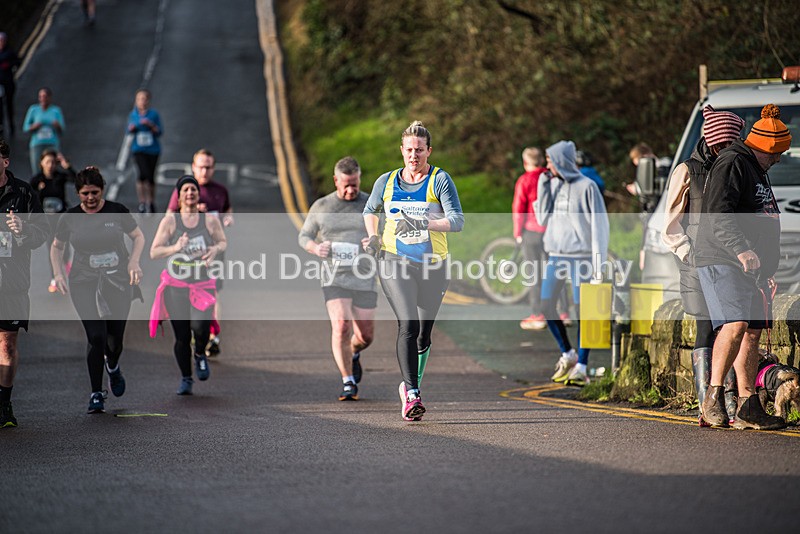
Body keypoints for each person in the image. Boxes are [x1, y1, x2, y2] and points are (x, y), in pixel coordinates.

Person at [695, 104, 790, 431]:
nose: (778, 160)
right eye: (776, 154)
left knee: (751, 331)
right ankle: (713, 397)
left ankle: (749, 405)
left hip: (750, 266)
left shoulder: (756, 168)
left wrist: (767, 269)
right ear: (765, 148)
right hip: (723, 257)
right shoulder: (733, 162)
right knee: (735, 324)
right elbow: (718, 212)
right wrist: (742, 250)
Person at [363, 121, 464, 421]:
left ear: (429, 151)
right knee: (408, 324)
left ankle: (409, 384)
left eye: (419, 150)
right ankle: (412, 394)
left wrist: (425, 223)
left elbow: (457, 221)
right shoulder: (386, 181)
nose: (413, 155)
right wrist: (373, 237)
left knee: (423, 336)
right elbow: (370, 211)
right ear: (402, 150)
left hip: (433, 265)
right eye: (409, 150)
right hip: (394, 261)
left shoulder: (439, 180)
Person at [662, 105, 745, 426]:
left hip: (730, 261)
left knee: (731, 328)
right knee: (705, 328)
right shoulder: (686, 170)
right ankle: (706, 405)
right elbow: (670, 224)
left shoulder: (736, 167)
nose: (730, 148)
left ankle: (730, 403)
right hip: (697, 261)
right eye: (726, 143)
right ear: (714, 141)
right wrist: (689, 254)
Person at [51, 167, 145, 413]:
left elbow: (138, 237)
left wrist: (134, 262)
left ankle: (112, 366)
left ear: (102, 190)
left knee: (114, 341)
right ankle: (96, 393)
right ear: (78, 193)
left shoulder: (117, 211)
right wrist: (58, 273)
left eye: (95, 192)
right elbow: (57, 247)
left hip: (117, 279)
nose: (90, 198)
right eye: (85, 193)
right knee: (96, 337)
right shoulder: (70, 217)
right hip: (84, 280)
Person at [299, 156, 376, 401]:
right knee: (341, 325)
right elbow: (304, 236)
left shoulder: (370, 204)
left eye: (355, 184)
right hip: (334, 276)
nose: (351, 189)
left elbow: (385, 235)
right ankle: (348, 381)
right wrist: (315, 248)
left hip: (364, 276)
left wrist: (374, 242)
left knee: (365, 337)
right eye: (346, 185)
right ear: (336, 181)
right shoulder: (322, 206)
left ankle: (353, 351)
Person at [535, 140, 609, 387]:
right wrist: (543, 186)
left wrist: (598, 266)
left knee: (583, 311)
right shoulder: (552, 183)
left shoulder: (588, 187)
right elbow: (541, 218)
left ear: (561, 161)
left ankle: (582, 367)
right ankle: (568, 353)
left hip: (582, 258)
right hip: (556, 255)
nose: (547, 166)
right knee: (546, 305)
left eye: (550, 161)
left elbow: (600, 227)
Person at [150, 175, 227, 395]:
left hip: (202, 284)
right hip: (176, 286)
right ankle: (186, 378)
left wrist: (215, 250)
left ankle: (200, 353)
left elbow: (222, 242)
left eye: (193, 189)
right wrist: (175, 247)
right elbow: (154, 252)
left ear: (198, 194)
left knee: (201, 328)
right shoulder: (170, 222)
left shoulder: (209, 221)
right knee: (182, 337)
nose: (190, 193)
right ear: (179, 195)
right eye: (185, 190)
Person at [0, 138, 49, 428]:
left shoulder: (23, 193)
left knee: (7, 345)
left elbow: (43, 233)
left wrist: (23, 230)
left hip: (11, 283)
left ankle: (4, 404)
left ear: (5, 161)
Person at [166, 149, 232, 357]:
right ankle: (195, 331)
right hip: (187, 254)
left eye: (208, 167)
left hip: (213, 252)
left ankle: (212, 336)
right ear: (193, 167)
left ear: (213, 168)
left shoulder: (220, 190)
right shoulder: (185, 190)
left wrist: (228, 218)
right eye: (201, 167)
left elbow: (227, 209)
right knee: (187, 292)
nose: (204, 171)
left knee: (214, 291)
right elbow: (169, 216)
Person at [30, 148, 76, 292]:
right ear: (41, 163)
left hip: (61, 217)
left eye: (53, 162)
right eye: (47, 162)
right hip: (46, 220)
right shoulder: (37, 180)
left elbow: (76, 180)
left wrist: (66, 165)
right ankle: (54, 277)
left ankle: (66, 262)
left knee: (64, 246)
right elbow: (30, 198)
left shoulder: (59, 177)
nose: (50, 165)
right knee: (52, 248)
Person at [127, 89, 162, 214]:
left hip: (152, 149)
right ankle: (142, 202)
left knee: (151, 176)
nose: (142, 101)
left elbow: (159, 131)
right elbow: (128, 130)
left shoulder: (154, 115)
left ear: (148, 101)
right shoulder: (133, 115)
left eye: (144, 99)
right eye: (139, 99)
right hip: (138, 149)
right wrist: (134, 127)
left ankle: (151, 201)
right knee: (142, 174)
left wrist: (150, 125)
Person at [23, 87, 66, 176]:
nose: (43, 99)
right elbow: (25, 127)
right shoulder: (33, 109)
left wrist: (57, 125)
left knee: (52, 167)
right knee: (37, 168)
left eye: (45, 96)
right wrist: (34, 126)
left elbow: (62, 129)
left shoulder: (56, 110)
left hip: (52, 143)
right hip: (37, 143)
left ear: (50, 98)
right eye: (41, 96)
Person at [0, 32, 21, 138]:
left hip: (8, 81)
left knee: (9, 104)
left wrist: (9, 65)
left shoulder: (10, 52)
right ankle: (1, 126)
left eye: (3, 41)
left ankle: (11, 125)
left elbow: (17, 62)